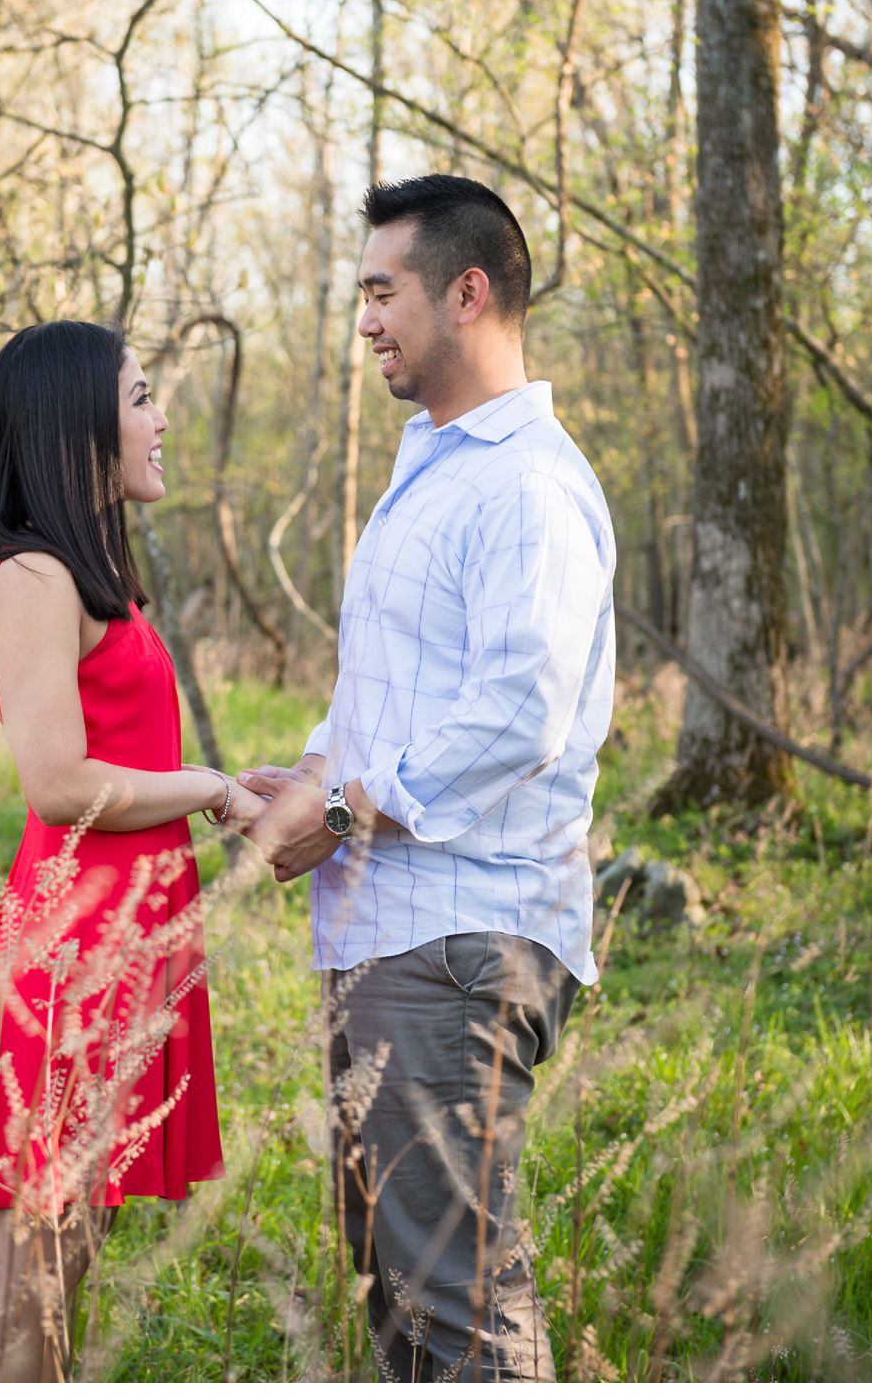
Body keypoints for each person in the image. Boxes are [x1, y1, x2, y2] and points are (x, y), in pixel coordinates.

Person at [239, 175, 615, 1381]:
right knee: (399, 1294)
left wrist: (341, 809)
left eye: (381, 290)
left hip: (459, 945)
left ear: (468, 291)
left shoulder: (528, 484)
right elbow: (392, 687)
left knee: (457, 1308)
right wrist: (307, 770)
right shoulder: (437, 466)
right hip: (388, 930)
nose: (365, 321)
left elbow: (519, 712)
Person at [0, 321, 236, 1380]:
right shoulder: (32, 576)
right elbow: (58, 783)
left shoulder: (90, 572)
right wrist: (213, 789)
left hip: (130, 935)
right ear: (79, 423)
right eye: (143, 396)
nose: (161, 419)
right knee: (29, 1269)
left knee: (62, 1273)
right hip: (76, 943)